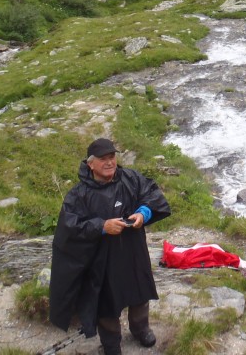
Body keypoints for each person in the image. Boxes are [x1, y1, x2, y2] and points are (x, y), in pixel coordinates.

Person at [49, 138, 171, 354]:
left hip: (133, 251)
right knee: (106, 301)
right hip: (101, 260)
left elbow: (152, 195)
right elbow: (69, 228)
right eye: (103, 159)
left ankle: (140, 328)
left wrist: (144, 213)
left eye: (112, 157)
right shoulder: (78, 195)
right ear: (90, 164)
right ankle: (111, 343)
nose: (109, 162)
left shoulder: (131, 179)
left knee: (140, 291)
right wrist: (102, 226)